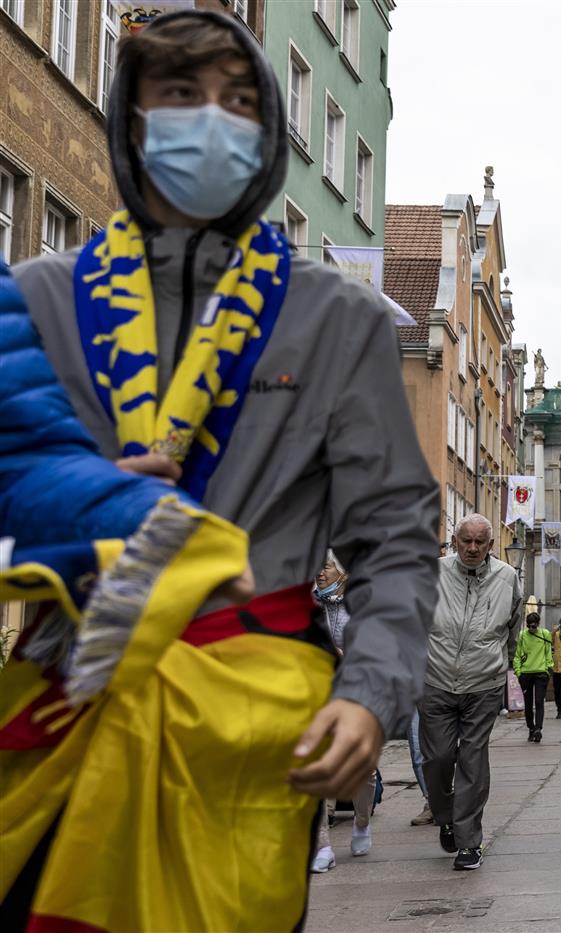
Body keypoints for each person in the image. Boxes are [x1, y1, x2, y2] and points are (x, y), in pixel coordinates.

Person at [4, 11, 439, 929]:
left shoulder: (338, 321)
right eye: (179, 96)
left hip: (244, 719)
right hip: (66, 695)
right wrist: (94, 508)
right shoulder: (39, 298)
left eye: (240, 102)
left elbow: (394, 537)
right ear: (132, 121)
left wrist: (370, 694)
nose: (212, 120)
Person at [420, 515, 524, 871]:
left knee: (472, 761)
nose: (473, 548)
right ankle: (446, 815)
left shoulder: (507, 578)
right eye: (466, 541)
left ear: (491, 546)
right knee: (437, 760)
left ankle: (468, 842)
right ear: (454, 540)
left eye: (480, 542)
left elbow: (513, 630)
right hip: (434, 680)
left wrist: (501, 665)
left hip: (483, 683)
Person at [311, 555, 378, 871]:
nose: (320, 572)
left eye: (327, 566)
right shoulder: (311, 604)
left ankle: (362, 822)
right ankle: (321, 845)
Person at [513, 612, 553, 743]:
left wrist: (548, 669)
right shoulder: (522, 636)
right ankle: (531, 728)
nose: (531, 629)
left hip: (541, 673)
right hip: (525, 674)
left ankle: (538, 729)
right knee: (528, 704)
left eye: (534, 626)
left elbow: (548, 653)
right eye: (529, 626)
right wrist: (518, 672)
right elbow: (517, 655)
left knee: (539, 702)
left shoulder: (544, 634)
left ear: (538, 624)